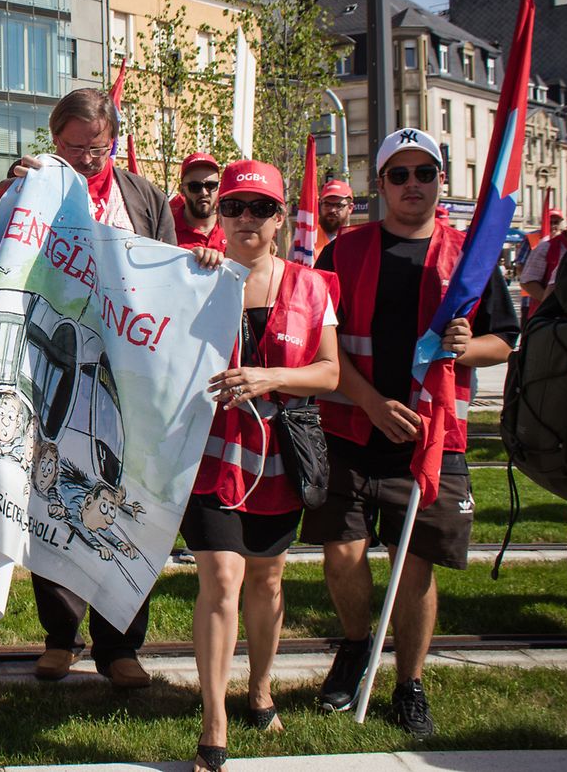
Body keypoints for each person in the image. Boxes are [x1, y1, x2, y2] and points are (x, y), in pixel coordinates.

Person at [300, 128, 518, 738]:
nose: (413, 185)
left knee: (414, 566)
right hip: (350, 426)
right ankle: (355, 646)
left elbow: (505, 338)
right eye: (400, 174)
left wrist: (468, 347)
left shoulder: (467, 256)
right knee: (342, 554)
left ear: (440, 182)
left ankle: (408, 684)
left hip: (430, 437)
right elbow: (321, 342)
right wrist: (369, 403)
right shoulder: (342, 252)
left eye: (425, 173)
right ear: (381, 184)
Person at [14, 87, 176, 690]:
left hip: (128, 367)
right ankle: (60, 636)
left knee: (122, 497)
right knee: (52, 490)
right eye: (73, 147)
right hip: (54, 355)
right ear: (54, 140)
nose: (85, 159)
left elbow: (171, 271)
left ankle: (120, 645)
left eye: (97, 149)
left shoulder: (144, 196)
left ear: (115, 143)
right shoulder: (37, 185)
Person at [185, 160, 339, 772]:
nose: (246, 219)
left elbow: (328, 373)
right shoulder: (195, 274)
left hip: (279, 452)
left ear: (280, 219)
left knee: (267, 578)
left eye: (260, 208)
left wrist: (269, 376)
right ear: (219, 214)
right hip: (209, 451)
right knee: (221, 578)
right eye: (234, 207)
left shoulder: (312, 286)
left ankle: (260, 688)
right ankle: (214, 719)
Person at [521, 208, 567, 314]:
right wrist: (551, 304)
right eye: (550, 222)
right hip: (548, 316)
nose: (553, 225)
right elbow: (527, 281)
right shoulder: (546, 247)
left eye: (556, 222)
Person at [175, 152, 225, 263]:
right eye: (195, 186)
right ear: (182, 190)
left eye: (211, 186)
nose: (204, 192)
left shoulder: (233, 227)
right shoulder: (167, 231)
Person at [318, 180, 355, 248]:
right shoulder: (308, 239)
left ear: (350, 208)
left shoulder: (357, 241)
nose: (332, 210)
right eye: (327, 205)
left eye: (338, 206)